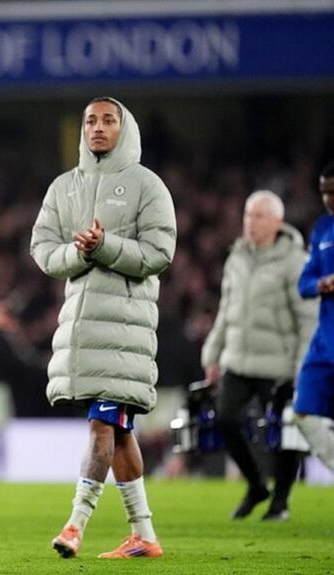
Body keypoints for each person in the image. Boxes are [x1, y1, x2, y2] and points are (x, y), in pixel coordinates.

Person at [30, 97, 176, 559]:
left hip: (125, 331)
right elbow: (43, 249)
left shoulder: (146, 185)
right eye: (91, 120)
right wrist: (80, 253)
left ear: (124, 127)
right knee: (119, 432)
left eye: (108, 120)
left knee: (102, 426)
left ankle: (75, 525)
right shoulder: (63, 187)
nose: (98, 127)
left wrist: (105, 245)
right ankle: (145, 536)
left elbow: (159, 252)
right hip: (82, 329)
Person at [201, 190, 317, 520]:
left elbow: (307, 319)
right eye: (248, 215)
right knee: (225, 419)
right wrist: (212, 353)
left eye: (259, 216)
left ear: (278, 222)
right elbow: (226, 311)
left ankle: (280, 501)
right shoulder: (236, 257)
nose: (250, 222)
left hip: (279, 365)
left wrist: (301, 368)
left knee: (286, 433)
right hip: (238, 359)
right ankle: (256, 485)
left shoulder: (296, 261)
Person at [294, 161, 334, 472]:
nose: (328, 199)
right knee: (302, 412)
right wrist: (321, 283)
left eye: (333, 192)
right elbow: (304, 283)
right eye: (324, 193)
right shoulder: (322, 228)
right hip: (324, 341)